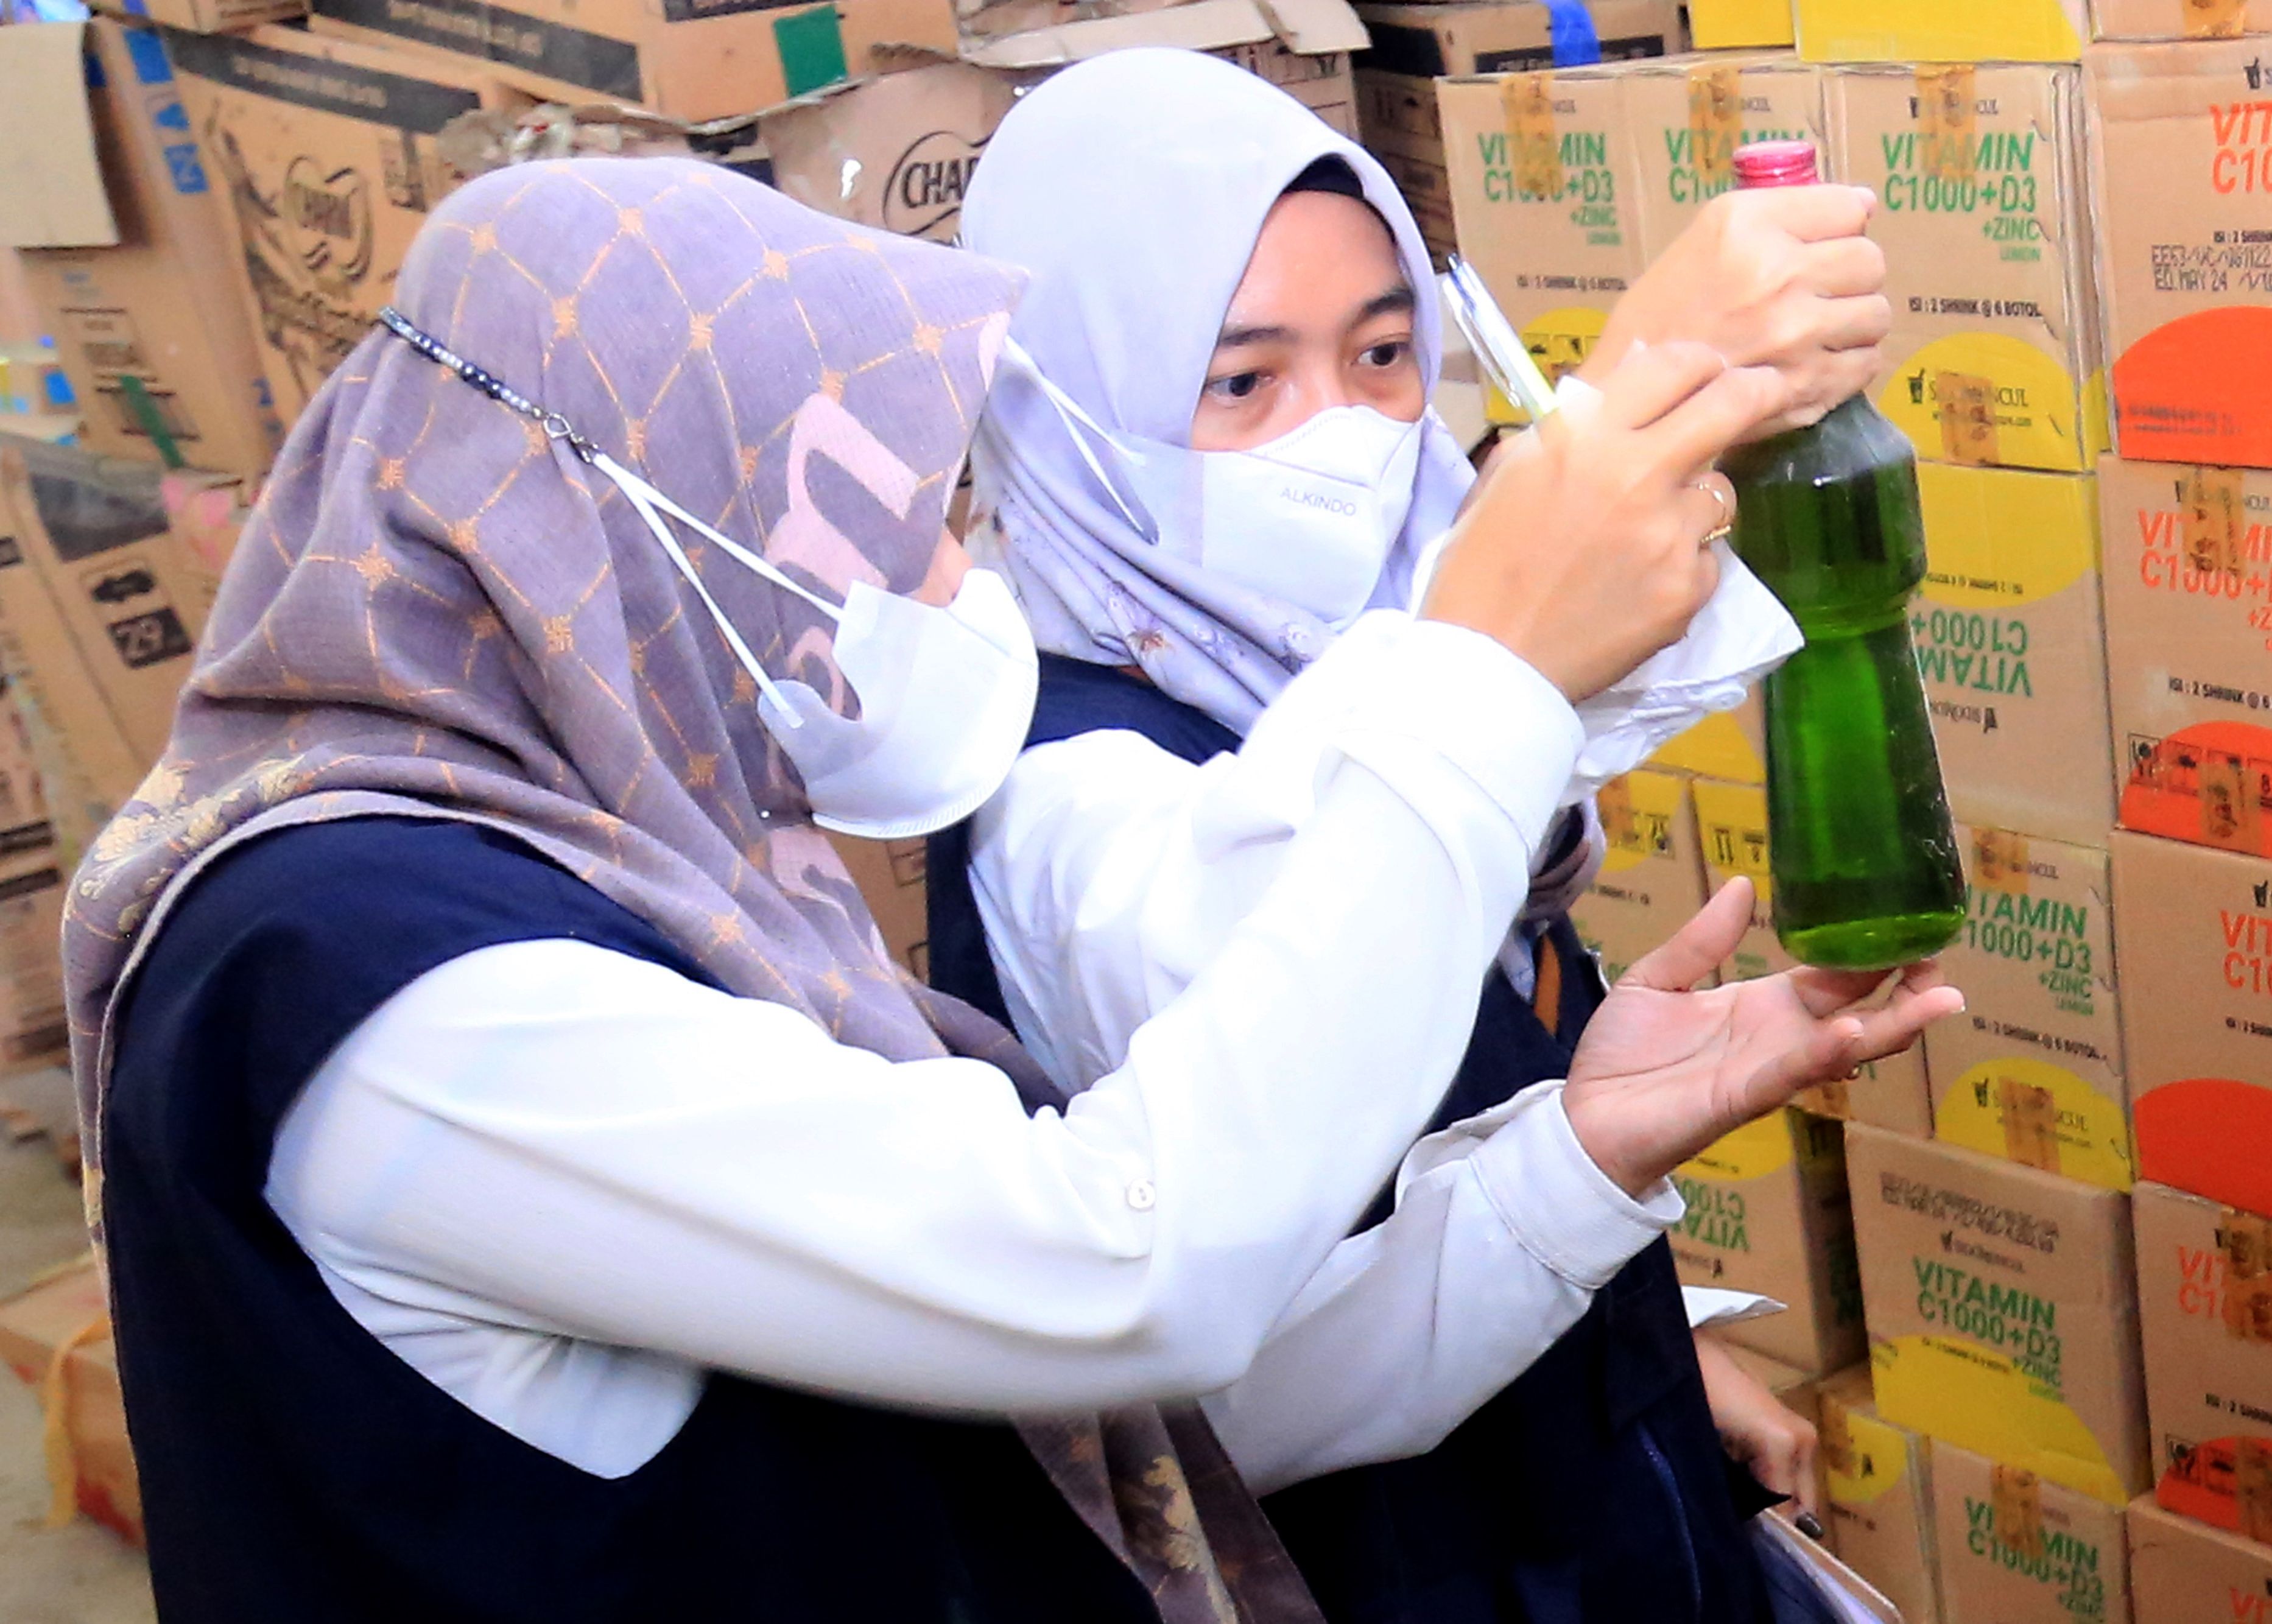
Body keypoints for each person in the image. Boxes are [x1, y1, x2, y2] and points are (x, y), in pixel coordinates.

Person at [63, 158, 1951, 1624]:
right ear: (600, 531)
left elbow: (1104, 1436)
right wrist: (1486, 673)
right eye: (874, 514)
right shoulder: (373, 983)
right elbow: (1125, 1274)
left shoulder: (675, 896)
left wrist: (1573, 1162)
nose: (945, 581)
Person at [930, 48, 1921, 1624]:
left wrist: (1643, 1327)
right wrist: (1630, 407)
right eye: (1243, 381)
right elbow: (1279, 927)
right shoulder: (1065, 800)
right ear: (1066, 406)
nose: (1345, 431)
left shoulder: (1364, 649)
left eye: (1386, 352)